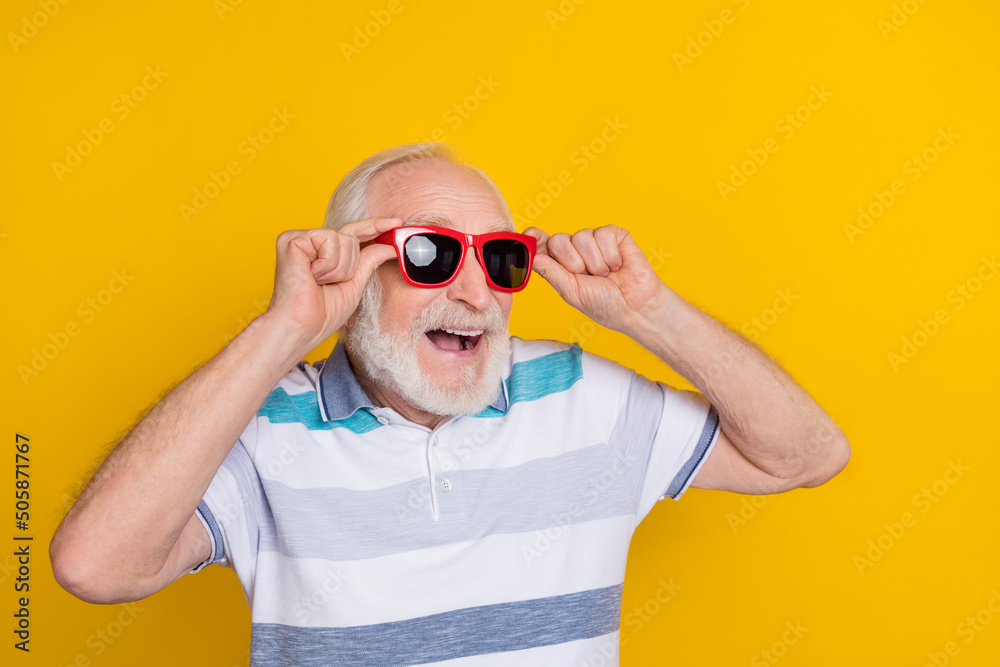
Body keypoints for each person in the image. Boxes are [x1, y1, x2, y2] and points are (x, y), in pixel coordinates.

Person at [50, 143, 850, 665]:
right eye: (431, 254)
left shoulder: (583, 399)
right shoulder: (264, 430)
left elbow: (808, 453)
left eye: (499, 258)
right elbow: (94, 565)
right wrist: (285, 328)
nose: (473, 291)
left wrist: (649, 313)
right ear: (355, 270)